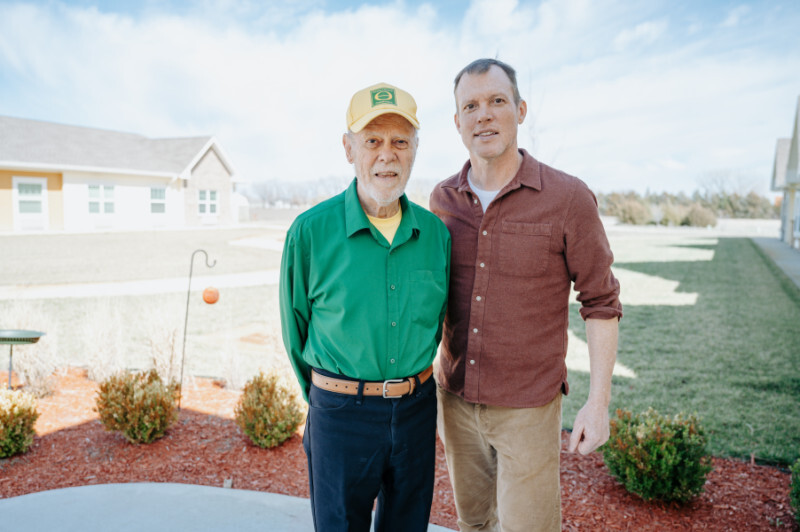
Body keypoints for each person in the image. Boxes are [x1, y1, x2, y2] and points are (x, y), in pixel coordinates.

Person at [430, 58, 623, 531]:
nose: (484, 115)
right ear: (457, 123)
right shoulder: (441, 201)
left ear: (520, 109)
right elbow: (430, 301)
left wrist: (598, 404)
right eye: (470, 106)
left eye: (497, 101)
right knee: (475, 524)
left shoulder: (568, 198)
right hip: (454, 401)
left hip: (528, 410)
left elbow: (601, 302)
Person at [280, 82, 451, 532]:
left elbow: (436, 327)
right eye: (372, 141)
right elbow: (294, 326)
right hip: (340, 414)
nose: (386, 155)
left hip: (416, 410)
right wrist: (328, 396)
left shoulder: (436, 235)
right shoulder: (310, 232)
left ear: (415, 150)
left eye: (400, 142)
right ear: (348, 148)